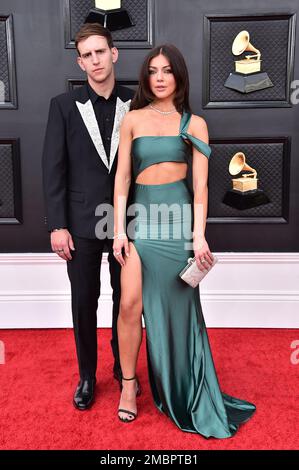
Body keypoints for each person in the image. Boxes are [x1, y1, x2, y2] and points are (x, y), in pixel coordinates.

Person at [112, 44, 256, 438]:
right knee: (128, 304)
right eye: (153, 71)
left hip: (177, 225)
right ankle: (128, 385)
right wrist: (119, 229)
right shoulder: (133, 119)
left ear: (178, 76)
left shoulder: (194, 124)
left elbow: (201, 186)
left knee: (178, 312)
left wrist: (198, 235)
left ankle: (181, 385)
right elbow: (122, 176)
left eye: (167, 71)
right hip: (141, 221)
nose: (159, 77)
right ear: (146, 77)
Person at [42, 23, 134, 410]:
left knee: (126, 301)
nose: (96, 60)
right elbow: (54, 167)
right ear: (80, 62)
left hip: (127, 222)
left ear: (114, 53)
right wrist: (57, 224)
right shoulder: (63, 106)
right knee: (84, 300)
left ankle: (122, 368)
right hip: (79, 222)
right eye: (88, 55)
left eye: (101, 51)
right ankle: (86, 376)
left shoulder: (139, 102)